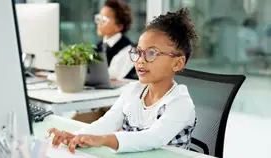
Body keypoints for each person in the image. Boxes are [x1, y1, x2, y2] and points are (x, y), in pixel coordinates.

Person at [48, 8, 198, 153]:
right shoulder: (133, 91)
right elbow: (106, 123)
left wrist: (104, 140)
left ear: (177, 63)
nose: (140, 60)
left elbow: (153, 138)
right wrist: (77, 136)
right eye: (138, 52)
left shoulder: (180, 102)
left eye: (151, 53)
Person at [94, 0, 135, 80]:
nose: (99, 23)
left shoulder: (128, 49)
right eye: (99, 18)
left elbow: (112, 75)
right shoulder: (98, 46)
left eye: (104, 20)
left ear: (119, 27)